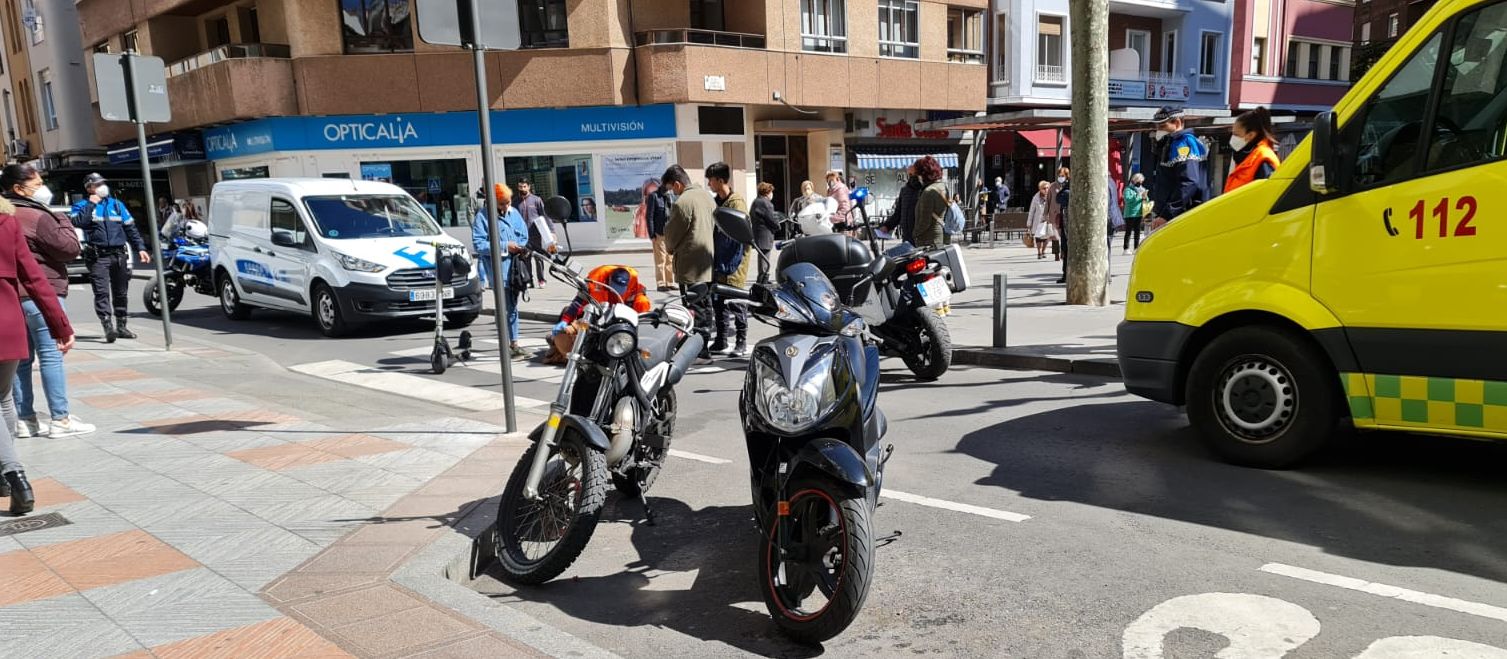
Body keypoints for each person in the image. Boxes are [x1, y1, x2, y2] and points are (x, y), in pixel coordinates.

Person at [0, 193, 77, 514]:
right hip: (8, 323)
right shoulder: (7, 222)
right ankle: (5, 476)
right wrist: (61, 325)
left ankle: (13, 474)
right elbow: (34, 277)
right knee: (4, 398)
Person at [2, 165, 91, 440]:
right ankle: (60, 419)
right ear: (18, 188)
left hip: (13, 297)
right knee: (51, 354)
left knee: (23, 361)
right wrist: (63, 220)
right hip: (43, 292)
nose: (43, 188)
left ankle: (25, 419)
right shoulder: (36, 215)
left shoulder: (8, 214)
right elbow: (69, 249)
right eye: (37, 183)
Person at [71, 173, 149, 343]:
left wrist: (141, 248)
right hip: (98, 256)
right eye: (98, 184)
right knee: (101, 293)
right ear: (89, 188)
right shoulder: (81, 205)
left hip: (119, 255)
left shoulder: (117, 205)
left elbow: (131, 229)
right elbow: (79, 222)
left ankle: (121, 326)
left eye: (103, 183)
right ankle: (108, 327)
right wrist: (91, 204)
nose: (102, 186)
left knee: (121, 292)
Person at [541, 266, 652, 366]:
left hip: (619, 328)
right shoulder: (595, 281)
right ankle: (556, 342)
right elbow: (578, 302)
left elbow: (640, 324)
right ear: (609, 280)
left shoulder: (639, 298)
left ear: (628, 285)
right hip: (596, 317)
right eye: (615, 286)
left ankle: (560, 346)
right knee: (567, 313)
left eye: (621, 288)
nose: (618, 291)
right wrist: (565, 321)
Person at [661, 164, 716, 363]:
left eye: (671, 189)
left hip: (690, 264)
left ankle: (699, 351)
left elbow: (672, 235)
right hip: (707, 261)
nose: (672, 193)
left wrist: (669, 247)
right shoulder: (706, 196)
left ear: (677, 184)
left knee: (694, 309)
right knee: (705, 306)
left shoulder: (683, 202)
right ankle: (703, 346)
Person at [476, 184, 531, 359]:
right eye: (502, 204)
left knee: (513, 307)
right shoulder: (482, 217)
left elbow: (524, 234)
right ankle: (506, 344)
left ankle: (514, 343)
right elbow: (479, 245)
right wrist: (505, 246)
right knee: (504, 309)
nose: (507, 207)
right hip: (498, 271)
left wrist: (520, 246)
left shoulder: (514, 213)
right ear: (493, 202)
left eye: (508, 203)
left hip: (515, 270)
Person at [706, 162, 752, 358]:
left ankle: (741, 341)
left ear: (721, 180)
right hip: (719, 260)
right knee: (718, 302)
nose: (709, 183)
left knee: (736, 301)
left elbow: (738, 239)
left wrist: (728, 265)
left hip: (735, 262)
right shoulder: (718, 201)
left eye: (711, 179)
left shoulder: (736, 203)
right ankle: (721, 339)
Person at [1149, 106, 1209, 230]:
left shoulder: (1184, 143)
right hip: (1177, 214)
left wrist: (1167, 214)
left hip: (1181, 216)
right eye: (1157, 127)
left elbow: (1188, 182)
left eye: (1162, 126)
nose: (1158, 130)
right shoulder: (1172, 144)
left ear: (1177, 123)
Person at [1225, 106, 1281, 194]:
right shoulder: (1245, 155)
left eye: (1236, 134)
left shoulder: (1263, 159)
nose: (1233, 138)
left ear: (1251, 135)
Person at [515, 179, 553, 286]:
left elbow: (545, 216)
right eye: (520, 187)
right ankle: (529, 280)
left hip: (536, 234)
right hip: (522, 236)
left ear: (529, 187)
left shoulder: (536, 200)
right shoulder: (515, 202)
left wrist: (551, 231)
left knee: (539, 258)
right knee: (525, 258)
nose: (522, 189)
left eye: (524, 186)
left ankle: (541, 280)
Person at [910, 156, 949, 250]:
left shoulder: (929, 192)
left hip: (928, 240)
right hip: (940, 236)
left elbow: (925, 221)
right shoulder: (942, 187)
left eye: (918, 174)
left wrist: (914, 234)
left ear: (924, 174)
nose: (917, 177)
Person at [646, 179, 677, 291]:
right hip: (659, 233)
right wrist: (652, 234)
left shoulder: (672, 196)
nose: (670, 186)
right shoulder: (654, 196)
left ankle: (670, 282)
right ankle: (661, 284)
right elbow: (649, 217)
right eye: (669, 184)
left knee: (670, 259)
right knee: (661, 260)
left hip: (671, 234)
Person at [883, 165, 921, 244]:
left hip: (920, 237)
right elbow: (898, 213)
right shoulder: (904, 191)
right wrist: (887, 226)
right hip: (906, 237)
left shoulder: (924, 190)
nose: (911, 177)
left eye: (913, 174)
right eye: (909, 175)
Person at [749, 182, 779, 284]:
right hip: (765, 235)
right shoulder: (766, 204)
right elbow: (771, 219)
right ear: (767, 192)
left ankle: (762, 278)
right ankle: (763, 279)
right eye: (771, 192)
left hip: (758, 233)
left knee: (762, 257)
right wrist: (778, 226)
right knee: (765, 257)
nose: (772, 194)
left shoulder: (756, 202)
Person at [1048, 167, 1071, 279]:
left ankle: (1065, 272)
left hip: (1065, 218)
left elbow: (1059, 199)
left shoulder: (1068, 188)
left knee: (1065, 243)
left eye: (1062, 175)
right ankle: (1057, 255)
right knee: (1057, 239)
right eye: (1059, 175)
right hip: (1057, 216)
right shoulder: (1053, 186)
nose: (1060, 177)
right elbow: (1051, 200)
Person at [1027, 180, 1056, 259]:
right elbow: (1031, 211)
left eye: (1047, 188)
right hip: (1038, 221)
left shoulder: (1051, 196)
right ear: (1040, 189)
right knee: (1039, 237)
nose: (1046, 190)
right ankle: (1039, 252)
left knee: (1046, 237)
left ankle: (1043, 251)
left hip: (1048, 220)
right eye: (1044, 188)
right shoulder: (1036, 198)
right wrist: (1029, 223)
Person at [1122, 173, 1149, 254]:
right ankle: (1126, 249)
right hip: (1130, 214)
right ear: (1134, 180)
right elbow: (1128, 200)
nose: (1140, 183)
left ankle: (1136, 248)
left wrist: (1145, 197)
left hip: (1139, 213)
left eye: (1141, 182)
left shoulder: (1142, 189)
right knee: (1128, 231)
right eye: (1139, 181)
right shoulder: (1128, 190)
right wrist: (1138, 196)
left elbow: (1146, 200)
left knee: (1137, 231)